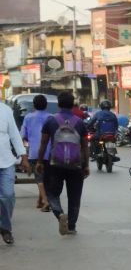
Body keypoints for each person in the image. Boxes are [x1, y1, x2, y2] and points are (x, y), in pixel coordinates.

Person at [36, 91, 89, 236]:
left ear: (59, 104)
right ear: (73, 105)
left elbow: (43, 144)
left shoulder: (50, 121)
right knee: (74, 196)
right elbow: (85, 146)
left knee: (52, 193)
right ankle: (71, 226)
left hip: (55, 165)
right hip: (76, 165)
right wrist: (86, 165)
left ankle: (59, 214)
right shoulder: (80, 122)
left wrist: (40, 161)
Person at [0, 100, 29, 245]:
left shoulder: (5, 110)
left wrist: (23, 156)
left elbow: (15, 135)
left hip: (6, 162)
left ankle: (5, 227)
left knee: (8, 195)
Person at [19, 94, 51, 212]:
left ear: (34, 105)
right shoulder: (51, 117)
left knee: (39, 178)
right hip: (49, 153)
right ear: (46, 105)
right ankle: (41, 201)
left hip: (34, 153)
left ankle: (46, 201)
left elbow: (23, 135)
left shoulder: (28, 117)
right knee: (45, 177)